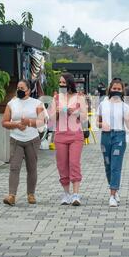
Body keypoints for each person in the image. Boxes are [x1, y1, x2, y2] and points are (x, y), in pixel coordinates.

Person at [1, 79, 45, 206]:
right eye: (18, 88)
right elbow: (4, 122)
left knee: (32, 168)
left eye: (22, 88)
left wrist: (29, 122)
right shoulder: (11, 103)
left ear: (29, 90)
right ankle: (12, 196)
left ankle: (31, 194)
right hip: (16, 139)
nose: (19, 90)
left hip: (32, 139)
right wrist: (16, 124)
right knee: (14, 167)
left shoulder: (37, 103)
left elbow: (42, 122)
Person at [49, 73, 88, 206]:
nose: (61, 85)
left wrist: (74, 112)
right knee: (62, 165)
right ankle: (66, 193)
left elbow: (84, 118)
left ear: (70, 83)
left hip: (75, 135)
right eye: (60, 82)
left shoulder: (80, 97)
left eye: (64, 83)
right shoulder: (56, 98)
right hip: (60, 135)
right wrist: (59, 111)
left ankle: (76, 194)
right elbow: (51, 120)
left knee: (74, 163)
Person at [97, 78, 129, 207]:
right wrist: (102, 124)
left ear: (122, 90)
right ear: (110, 89)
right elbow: (97, 122)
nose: (116, 91)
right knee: (108, 165)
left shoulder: (125, 106)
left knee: (115, 166)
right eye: (114, 88)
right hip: (105, 136)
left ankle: (112, 195)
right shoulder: (103, 104)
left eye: (119, 89)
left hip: (119, 135)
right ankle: (115, 188)